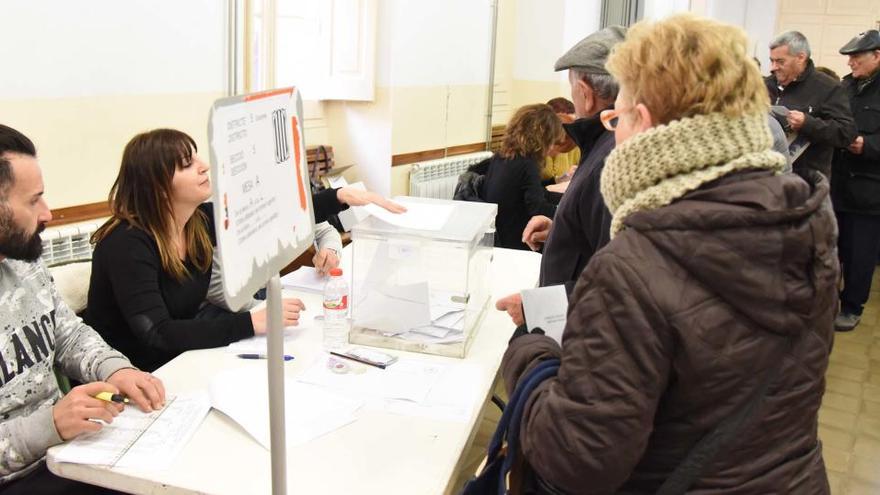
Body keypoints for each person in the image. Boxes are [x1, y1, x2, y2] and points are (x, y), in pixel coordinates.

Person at [501, 15, 836, 494]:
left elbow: (576, 461)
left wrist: (530, 353)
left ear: (648, 120)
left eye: (618, 117)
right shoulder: (805, 224)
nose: (614, 134)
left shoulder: (633, 268)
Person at [84, 129, 403, 372]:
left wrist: (341, 196)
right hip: (138, 373)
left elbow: (277, 215)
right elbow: (157, 333)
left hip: (183, 359)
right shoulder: (126, 244)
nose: (204, 166)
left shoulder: (197, 221)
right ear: (156, 185)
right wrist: (253, 323)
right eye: (187, 164)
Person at [0, 124, 165, 494]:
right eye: (32, 201)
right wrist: (52, 424)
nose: (47, 213)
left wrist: (115, 369)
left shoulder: (23, 260)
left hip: (66, 455)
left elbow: (67, 333)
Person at [495, 26, 624, 324]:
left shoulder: (611, 157)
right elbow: (599, 236)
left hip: (578, 328)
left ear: (586, 94)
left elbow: (616, 280)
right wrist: (560, 231)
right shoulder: (605, 145)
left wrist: (538, 307)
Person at [831, 30, 880, 331]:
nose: (850, 62)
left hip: (870, 189)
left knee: (860, 255)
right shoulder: (844, 87)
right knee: (835, 248)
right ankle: (830, 299)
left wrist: (868, 146)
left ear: (877, 55)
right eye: (849, 57)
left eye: (856, 57)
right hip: (838, 183)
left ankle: (852, 306)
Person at [765, 30, 856, 177]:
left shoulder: (828, 88)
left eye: (780, 61)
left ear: (801, 57)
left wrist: (807, 123)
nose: (773, 67)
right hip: (768, 177)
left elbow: (846, 133)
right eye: (771, 61)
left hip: (807, 181)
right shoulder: (764, 85)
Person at [482, 104, 561, 250]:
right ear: (543, 137)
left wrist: (564, 198)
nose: (552, 147)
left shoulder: (501, 157)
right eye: (552, 141)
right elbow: (537, 208)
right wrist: (566, 212)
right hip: (516, 240)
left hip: (499, 234)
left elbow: (536, 193)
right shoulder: (527, 164)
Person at [542, 97, 580, 185]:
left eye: (573, 123)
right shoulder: (535, 146)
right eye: (565, 125)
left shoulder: (575, 142)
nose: (570, 129)